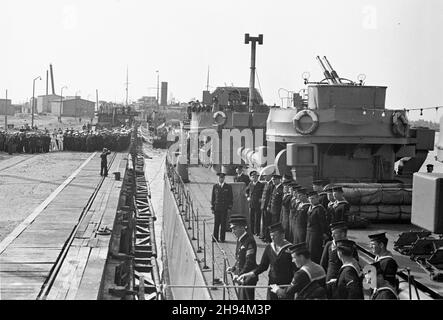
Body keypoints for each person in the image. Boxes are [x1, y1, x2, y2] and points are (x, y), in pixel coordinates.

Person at [239, 223, 296, 300]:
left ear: (282, 235)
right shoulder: (269, 248)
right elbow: (263, 266)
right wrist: (251, 274)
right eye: (271, 236)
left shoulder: (291, 249)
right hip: (272, 284)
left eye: (275, 236)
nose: (272, 238)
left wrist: (292, 287)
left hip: (286, 285)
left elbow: (296, 269)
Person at [320, 222, 359, 298]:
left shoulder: (351, 246)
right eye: (332, 233)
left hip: (343, 280)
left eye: (335, 233)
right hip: (330, 280)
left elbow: (355, 263)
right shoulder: (329, 245)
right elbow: (323, 263)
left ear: (343, 234)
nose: (332, 235)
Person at [226, 215, 258, 300]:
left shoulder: (249, 241)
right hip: (242, 277)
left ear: (242, 228)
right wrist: (234, 268)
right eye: (232, 229)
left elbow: (249, 262)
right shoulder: (240, 240)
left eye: (234, 229)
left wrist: (240, 275)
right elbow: (239, 258)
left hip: (248, 278)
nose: (232, 231)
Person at [305, 191, 328, 264]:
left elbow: (322, 223)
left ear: (317, 198)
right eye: (310, 199)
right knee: (308, 249)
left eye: (313, 198)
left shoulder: (319, 209)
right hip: (309, 232)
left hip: (316, 233)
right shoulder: (310, 207)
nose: (311, 200)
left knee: (314, 251)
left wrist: (324, 233)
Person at [211, 172, 233, 243]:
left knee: (223, 224)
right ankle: (215, 238)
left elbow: (230, 198)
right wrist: (212, 207)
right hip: (217, 208)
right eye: (220, 178)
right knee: (216, 224)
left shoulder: (228, 187)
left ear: (224, 178)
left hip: (224, 208)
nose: (221, 179)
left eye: (222, 178)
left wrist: (229, 207)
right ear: (218, 178)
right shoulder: (215, 186)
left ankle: (222, 238)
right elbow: (213, 197)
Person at [244, 171, 264, 236]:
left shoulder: (261, 185)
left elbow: (263, 193)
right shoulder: (250, 184)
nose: (254, 178)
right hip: (251, 203)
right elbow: (246, 191)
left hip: (258, 204)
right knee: (251, 218)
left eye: (255, 177)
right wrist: (247, 196)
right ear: (251, 178)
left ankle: (257, 232)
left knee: (257, 218)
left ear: (257, 177)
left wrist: (261, 198)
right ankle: (252, 231)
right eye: (253, 177)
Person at [260, 175, 274, 243]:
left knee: (267, 222)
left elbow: (270, 196)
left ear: (269, 176)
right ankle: (264, 236)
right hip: (263, 206)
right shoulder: (267, 183)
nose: (264, 177)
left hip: (267, 207)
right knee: (264, 222)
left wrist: (268, 205)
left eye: (265, 176)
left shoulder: (271, 185)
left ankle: (267, 237)